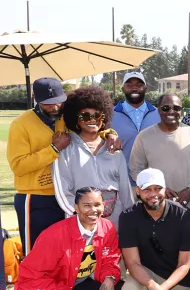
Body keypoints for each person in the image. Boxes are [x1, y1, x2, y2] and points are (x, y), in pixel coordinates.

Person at [13, 187, 122, 290]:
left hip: (72, 286)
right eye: (87, 205)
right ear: (76, 208)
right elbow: (31, 276)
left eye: (97, 205)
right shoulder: (55, 234)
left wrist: (108, 278)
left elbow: (111, 258)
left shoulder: (107, 227)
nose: (93, 210)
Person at [117, 169, 190, 290]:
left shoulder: (185, 216)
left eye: (158, 189)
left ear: (165, 189)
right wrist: (153, 287)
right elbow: (132, 262)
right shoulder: (128, 217)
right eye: (147, 190)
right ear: (138, 191)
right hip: (145, 271)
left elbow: (184, 264)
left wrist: (161, 289)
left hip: (176, 277)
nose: (153, 194)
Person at [53, 86, 134, 227]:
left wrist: (131, 218)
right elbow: (63, 191)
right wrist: (80, 214)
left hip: (114, 223)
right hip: (80, 222)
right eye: (85, 116)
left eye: (97, 115)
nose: (92, 120)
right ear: (75, 120)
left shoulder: (114, 149)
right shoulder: (65, 150)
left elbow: (125, 190)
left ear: (104, 118)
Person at [8, 77, 71, 252]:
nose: (55, 107)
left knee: (63, 251)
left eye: (58, 102)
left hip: (65, 195)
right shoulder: (20, 124)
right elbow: (18, 166)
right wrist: (54, 149)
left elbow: (92, 127)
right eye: (48, 103)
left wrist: (108, 134)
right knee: (36, 252)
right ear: (36, 99)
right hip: (34, 197)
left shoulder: (65, 117)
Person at [130, 93, 190, 217]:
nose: (171, 111)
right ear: (158, 109)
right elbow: (136, 170)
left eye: (176, 108)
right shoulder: (144, 136)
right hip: (156, 207)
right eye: (166, 108)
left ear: (181, 110)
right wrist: (158, 189)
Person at [110, 70, 160, 166]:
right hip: (119, 177)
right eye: (129, 85)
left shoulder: (158, 114)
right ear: (123, 89)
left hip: (151, 177)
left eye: (139, 85)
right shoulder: (110, 115)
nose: (134, 88)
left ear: (145, 88)